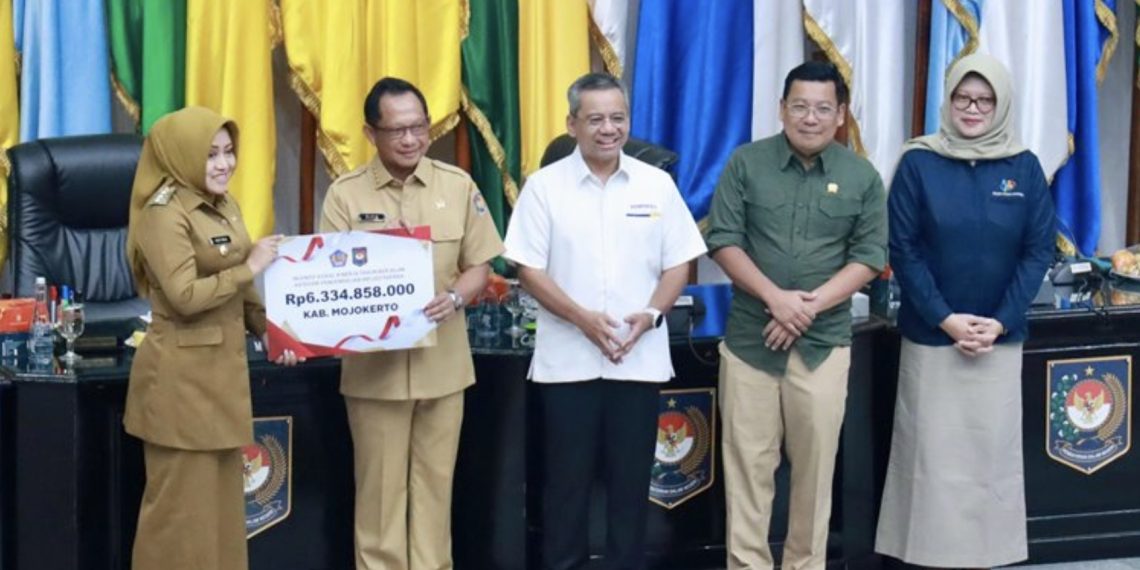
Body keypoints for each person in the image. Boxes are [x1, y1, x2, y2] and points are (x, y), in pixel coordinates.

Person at [503, 72, 707, 570]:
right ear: (571, 124)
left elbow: (680, 261)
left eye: (617, 118)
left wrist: (653, 314)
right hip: (568, 364)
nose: (608, 129)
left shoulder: (656, 184)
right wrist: (583, 319)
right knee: (566, 490)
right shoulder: (543, 187)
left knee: (631, 489)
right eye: (595, 119)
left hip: (636, 361)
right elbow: (526, 268)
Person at [704, 61, 888, 570]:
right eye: (800, 106)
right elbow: (722, 240)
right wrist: (776, 298)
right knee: (748, 472)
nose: (811, 118)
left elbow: (870, 256)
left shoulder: (861, 175)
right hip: (749, 343)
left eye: (823, 108)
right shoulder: (746, 163)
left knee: (814, 474)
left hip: (823, 345)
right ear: (781, 109)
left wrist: (805, 307)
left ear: (841, 114)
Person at [875, 53, 1055, 568]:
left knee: (988, 460)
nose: (972, 109)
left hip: (998, 340)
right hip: (935, 339)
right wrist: (945, 318)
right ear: (947, 100)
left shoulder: (1023, 164)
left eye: (985, 100)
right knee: (930, 461)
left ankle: (987, 558)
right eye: (962, 98)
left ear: (1001, 105)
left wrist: (999, 320)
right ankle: (925, 558)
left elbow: (1038, 249)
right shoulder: (918, 162)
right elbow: (902, 248)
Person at [318, 77, 504, 570]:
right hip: (374, 375)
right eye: (397, 130)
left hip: (442, 368)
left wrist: (456, 296)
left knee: (435, 494)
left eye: (419, 127)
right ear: (370, 133)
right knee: (379, 501)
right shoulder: (344, 195)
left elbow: (480, 265)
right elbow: (325, 280)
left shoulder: (457, 185)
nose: (410, 140)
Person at [123, 106, 299, 570]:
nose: (224, 164)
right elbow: (184, 296)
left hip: (221, 384)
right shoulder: (163, 215)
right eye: (210, 155)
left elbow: (237, 290)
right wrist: (251, 266)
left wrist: (270, 331)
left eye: (228, 152)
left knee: (221, 521)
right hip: (180, 388)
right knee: (179, 521)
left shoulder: (224, 204)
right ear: (181, 158)